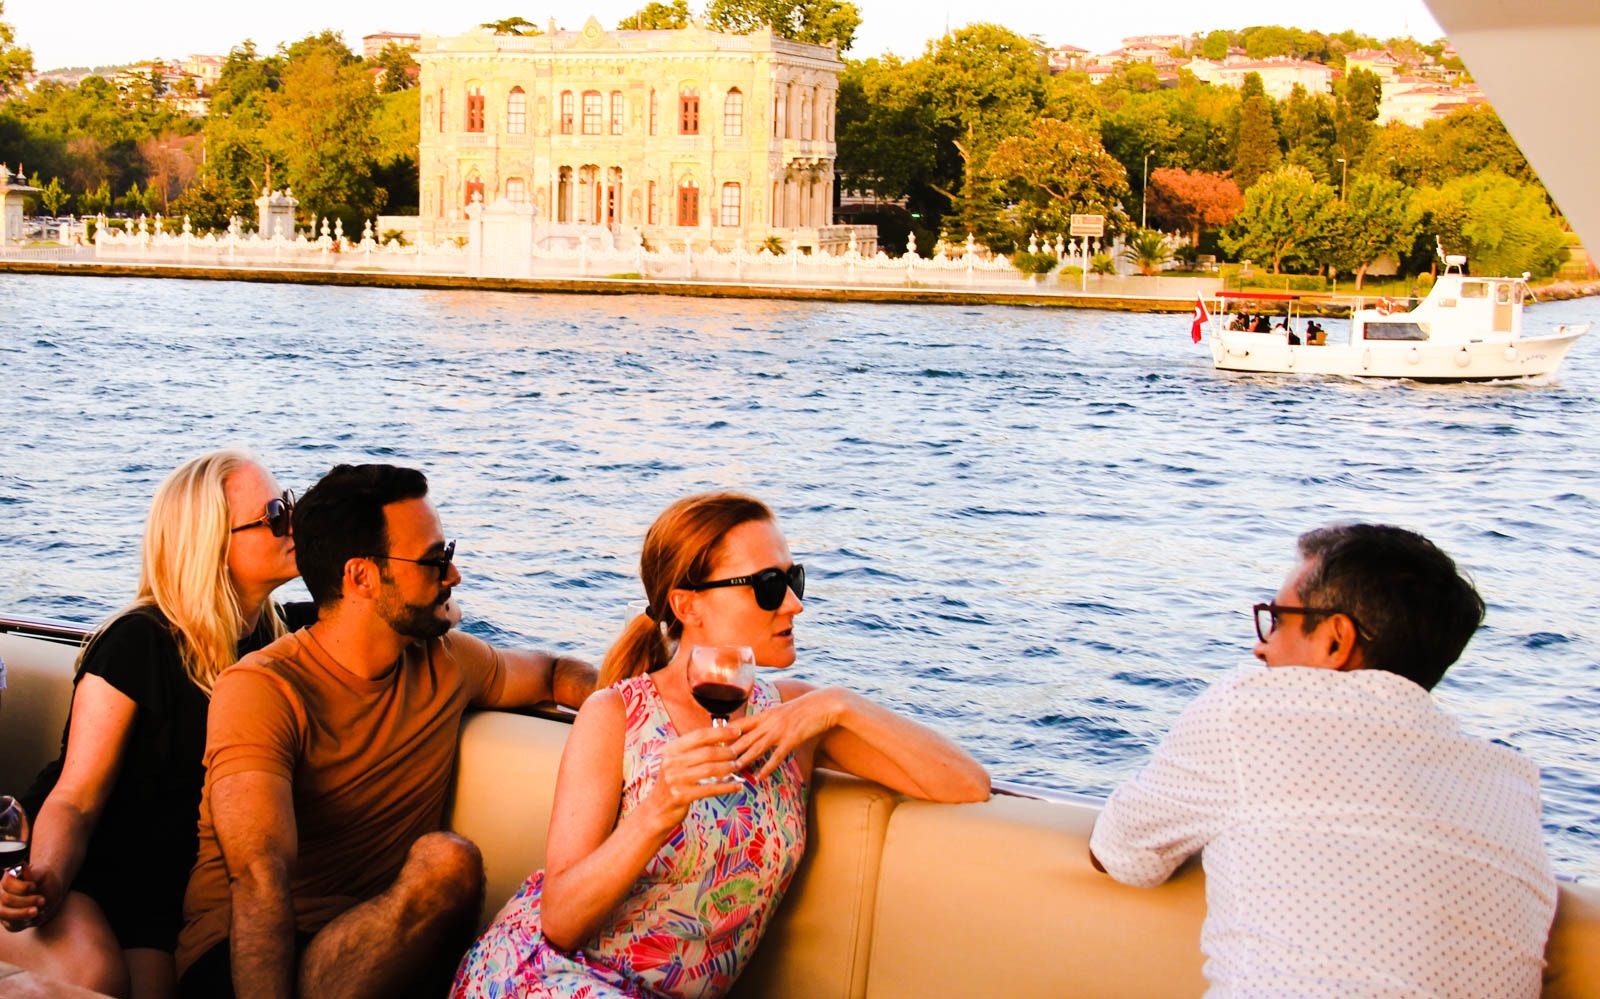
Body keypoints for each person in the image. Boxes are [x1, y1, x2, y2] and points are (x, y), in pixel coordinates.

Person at [451, 492, 990, 999]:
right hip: (553, 976)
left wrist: (839, 703)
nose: (795, 605)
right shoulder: (616, 714)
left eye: (794, 579)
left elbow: (966, 783)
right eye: (769, 585)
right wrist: (657, 810)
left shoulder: (795, 719)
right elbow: (560, 922)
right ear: (688, 605)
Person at [175, 463, 597, 999]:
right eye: (434, 560)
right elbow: (260, 879)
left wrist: (644, 709)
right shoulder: (262, 689)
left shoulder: (448, 662)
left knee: (449, 867)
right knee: (446, 860)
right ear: (361, 577)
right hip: (242, 957)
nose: (453, 576)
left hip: (372, 946)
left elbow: (556, 673)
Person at [1089, 524, 1557, 998]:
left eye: (1276, 619)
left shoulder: (1250, 713)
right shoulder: (1510, 785)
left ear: (1335, 639)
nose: (1261, 645)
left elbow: (1121, 853)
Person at [0, 450, 307, 999]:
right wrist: (43, 881)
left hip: (166, 893)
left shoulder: (281, 640)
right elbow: (75, 799)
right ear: (213, 542)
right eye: (276, 516)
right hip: (83, 868)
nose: (293, 524)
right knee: (97, 978)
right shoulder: (136, 644)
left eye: (289, 504)